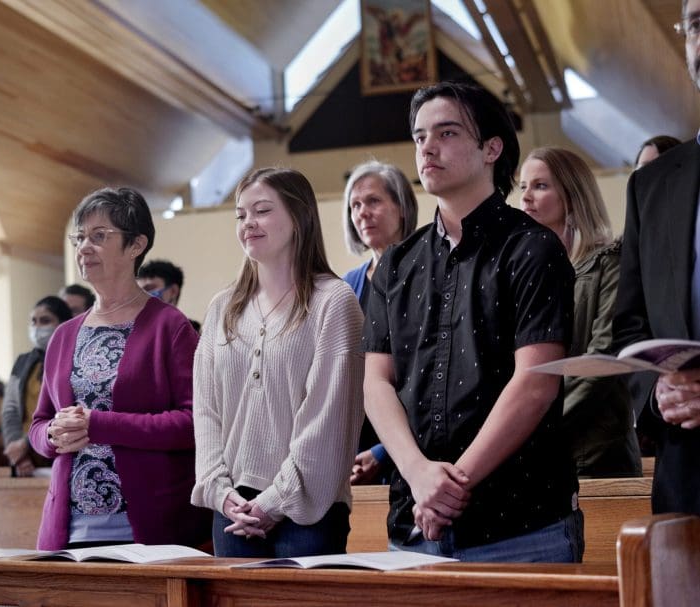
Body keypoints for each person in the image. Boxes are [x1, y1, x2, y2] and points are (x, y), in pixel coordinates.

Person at [362, 81, 582, 562]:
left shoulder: (532, 249)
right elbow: (375, 383)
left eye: (446, 133)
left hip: (520, 524)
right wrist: (420, 476)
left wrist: (452, 483)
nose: (428, 148)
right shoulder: (397, 264)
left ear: (491, 149)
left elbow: (536, 382)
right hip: (415, 523)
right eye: (420, 137)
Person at [191, 167, 364, 558]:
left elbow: (328, 417)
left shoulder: (334, 302)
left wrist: (274, 501)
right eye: (240, 215)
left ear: (299, 216)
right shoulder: (223, 308)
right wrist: (220, 491)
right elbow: (205, 411)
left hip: (308, 510)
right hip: (232, 510)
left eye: (262, 210)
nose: (248, 222)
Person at [29, 186, 210, 550]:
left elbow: (194, 425)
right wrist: (51, 436)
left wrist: (99, 424)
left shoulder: (170, 327)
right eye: (80, 237)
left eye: (99, 236)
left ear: (135, 245)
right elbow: (39, 423)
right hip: (70, 531)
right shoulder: (64, 335)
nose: (83, 248)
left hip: (145, 527)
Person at [612, 0, 700, 516]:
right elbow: (631, 326)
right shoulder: (652, 186)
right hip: (687, 478)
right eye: (695, 25)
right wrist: (658, 393)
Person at [519, 147, 641, 477]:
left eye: (540, 186)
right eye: (523, 187)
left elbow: (602, 358)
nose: (526, 197)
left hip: (596, 451)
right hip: (538, 453)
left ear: (572, 195)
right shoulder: (525, 273)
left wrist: (535, 424)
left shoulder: (609, 263)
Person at [342, 160, 418, 485]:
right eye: (355, 205)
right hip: (356, 453)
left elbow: (429, 376)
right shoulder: (347, 285)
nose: (362, 212)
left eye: (373, 201)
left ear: (400, 207)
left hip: (415, 445)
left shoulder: (428, 275)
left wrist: (383, 451)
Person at [1, 295, 72, 477]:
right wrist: (18, 452)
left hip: (60, 451)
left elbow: (64, 410)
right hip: (24, 460)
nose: (37, 327)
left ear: (63, 323)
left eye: (45, 321)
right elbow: (10, 409)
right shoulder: (23, 362)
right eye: (33, 321)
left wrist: (26, 444)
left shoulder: (70, 360)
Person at [137, 259, 201, 332]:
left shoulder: (194, 334)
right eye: (139, 290)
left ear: (173, 291)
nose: (141, 295)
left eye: (149, 288)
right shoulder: (133, 333)